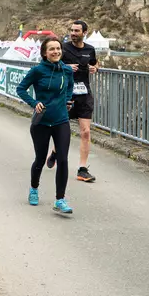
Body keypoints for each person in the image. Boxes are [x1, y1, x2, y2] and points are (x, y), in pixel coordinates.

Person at [15, 37, 75, 214]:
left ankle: (60, 200)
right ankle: (34, 188)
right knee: (40, 159)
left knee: (63, 159)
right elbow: (21, 89)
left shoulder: (66, 70)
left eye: (58, 49)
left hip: (61, 120)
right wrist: (34, 103)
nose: (56, 52)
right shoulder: (37, 71)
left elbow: (70, 87)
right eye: (52, 49)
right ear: (44, 53)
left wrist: (67, 100)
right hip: (41, 122)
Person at [47, 20, 98, 182]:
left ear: (84, 33)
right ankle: (55, 151)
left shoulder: (90, 49)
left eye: (77, 31)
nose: (73, 33)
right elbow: (51, 64)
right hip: (66, 95)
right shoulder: (63, 48)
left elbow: (94, 62)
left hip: (84, 95)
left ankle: (82, 169)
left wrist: (95, 68)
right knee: (63, 130)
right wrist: (66, 67)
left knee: (86, 132)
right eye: (72, 30)